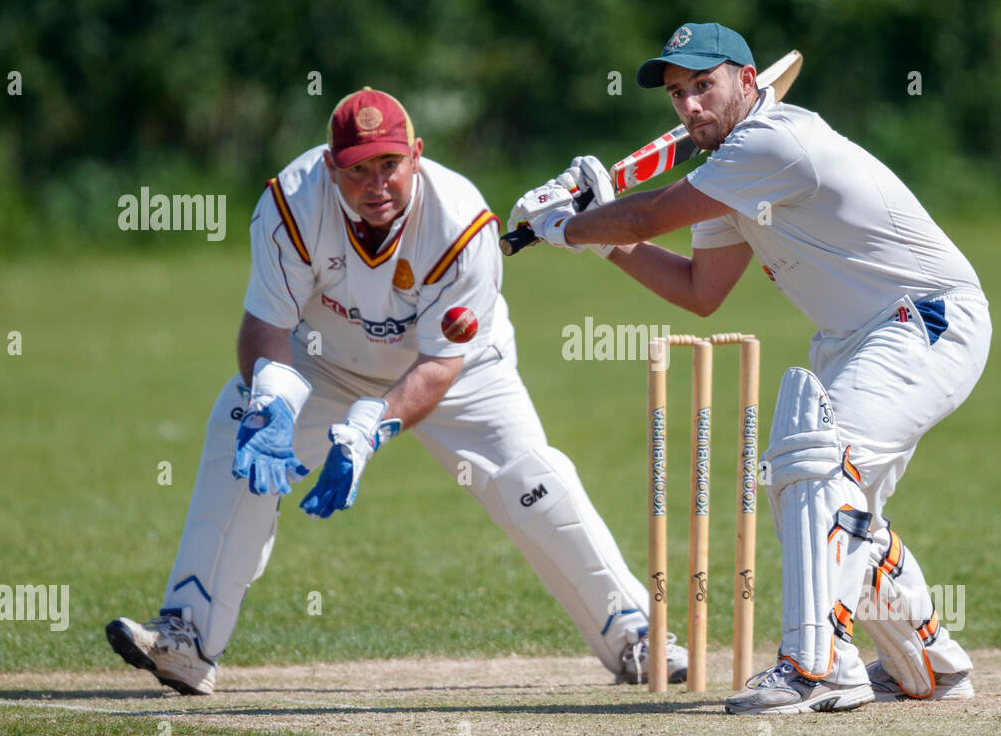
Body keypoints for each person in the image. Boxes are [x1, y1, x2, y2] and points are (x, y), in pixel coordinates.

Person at [106, 87, 687, 694]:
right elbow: (265, 323)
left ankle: (635, 635)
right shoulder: (291, 204)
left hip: (461, 369)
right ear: (332, 167)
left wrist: (366, 432)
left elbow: (438, 367)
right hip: (324, 360)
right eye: (358, 170)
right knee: (238, 433)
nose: (376, 184)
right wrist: (271, 402)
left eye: (389, 165)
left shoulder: (463, 225)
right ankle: (188, 639)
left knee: (529, 478)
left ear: (417, 155)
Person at [509, 23, 991, 715]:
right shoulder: (730, 173)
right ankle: (928, 663)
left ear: (747, 79)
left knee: (814, 465)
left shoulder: (771, 141)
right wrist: (597, 239)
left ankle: (815, 669)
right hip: (856, 338)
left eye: (704, 86)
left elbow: (650, 211)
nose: (690, 107)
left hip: (923, 320)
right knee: (836, 503)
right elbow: (698, 292)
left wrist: (569, 225)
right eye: (678, 94)